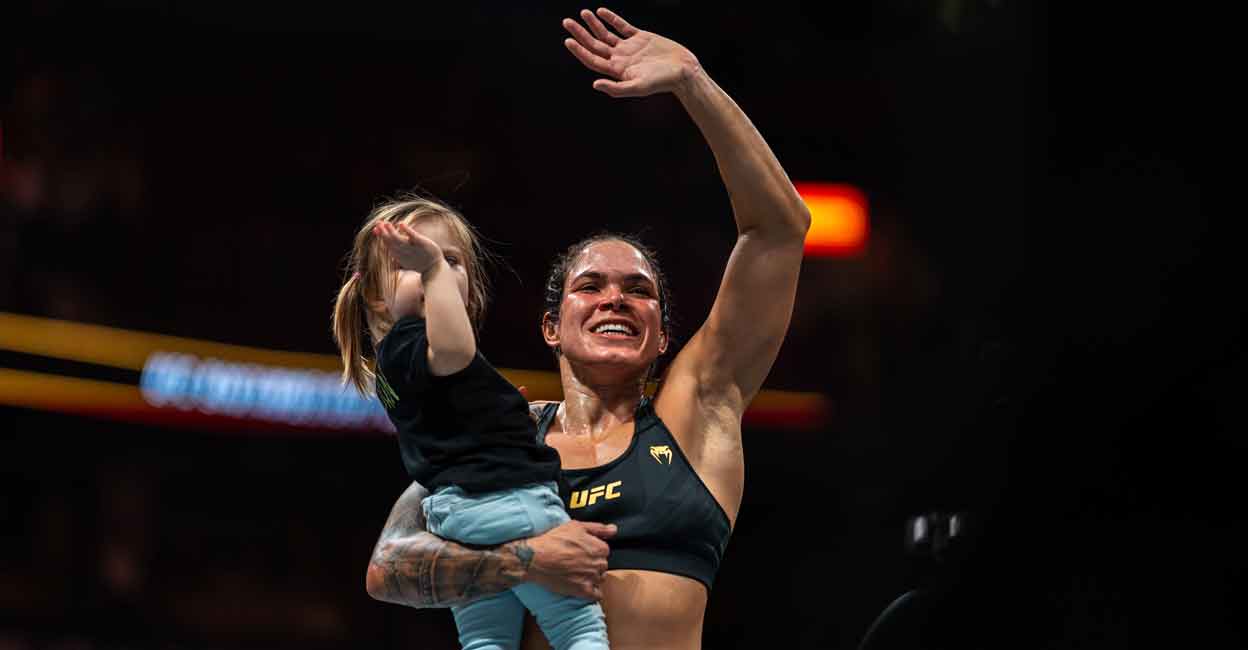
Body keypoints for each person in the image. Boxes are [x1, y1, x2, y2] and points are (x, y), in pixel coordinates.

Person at [364, 7, 811, 649]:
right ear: (551, 327)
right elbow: (389, 567)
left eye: (639, 291)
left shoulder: (699, 412)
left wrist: (693, 81)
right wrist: (528, 563)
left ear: (662, 337)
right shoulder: (499, 431)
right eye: (589, 286)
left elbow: (778, 231)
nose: (615, 299)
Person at [331, 196, 610, 650]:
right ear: (377, 298)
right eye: (412, 262)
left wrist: (497, 417)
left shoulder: (395, 364)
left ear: (472, 289)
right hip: (511, 503)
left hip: (454, 522)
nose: (431, 266)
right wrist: (438, 271)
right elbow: (456, 352)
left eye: (449, 260)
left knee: (485, 640)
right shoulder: (413, 341)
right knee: (579, 630)